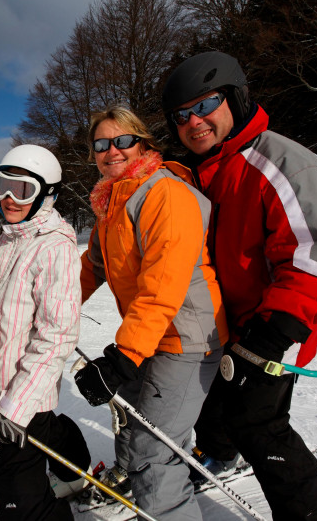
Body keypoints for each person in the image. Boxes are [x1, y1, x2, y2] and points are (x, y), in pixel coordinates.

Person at [161, 51, 317, 520]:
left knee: (257, 420)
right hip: (222, 320)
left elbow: (316, 261)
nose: (194, 122)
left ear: (236, 97)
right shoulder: (200, 172)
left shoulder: (281, 162)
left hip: (268, 323)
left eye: (206, 105)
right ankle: (219, 451)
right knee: (212, 398)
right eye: (182, 115)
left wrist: (267, 340)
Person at [72, 106, 229, 520]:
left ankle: (156, 490)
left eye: (123, 140)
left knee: (154, 450)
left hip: (186, 335)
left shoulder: (166, 194)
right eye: (102, 144)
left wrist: (122, 357)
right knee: (129, 408)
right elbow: (93, 268)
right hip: (152, 331)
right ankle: (128, 475)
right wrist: (50, 311)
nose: (112, 151)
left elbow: (164, 286)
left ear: (143, 143)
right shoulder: (111, 201)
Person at [0, 144, 91, 520]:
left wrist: (17, 405)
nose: (9, 198)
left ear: (47, 194)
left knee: (21, 504)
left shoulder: (53, 248)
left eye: (22, 189)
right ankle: (74, 467)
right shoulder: (3, 242)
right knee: (46, 431)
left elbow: (57, 335)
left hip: (21, 399)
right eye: (2, 185)